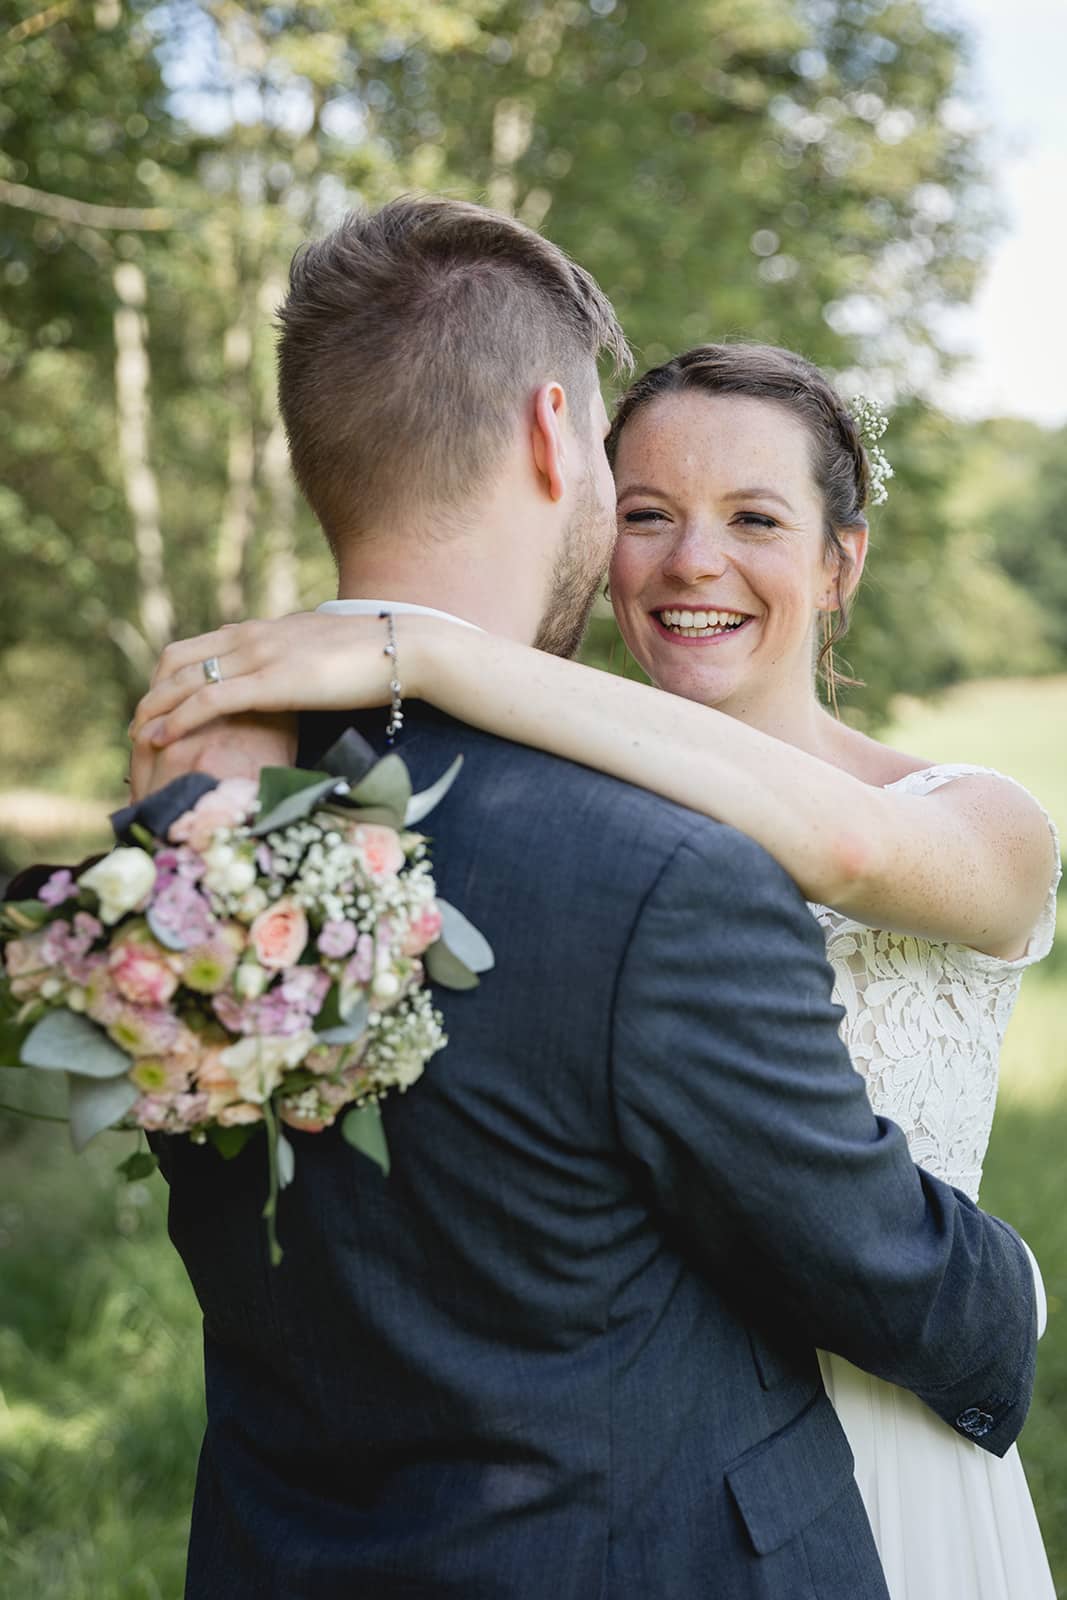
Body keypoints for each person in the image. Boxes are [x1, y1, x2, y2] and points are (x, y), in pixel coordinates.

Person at [131, 202, 1045, 1600]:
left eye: (755, 520)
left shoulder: (969, 819)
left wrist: (414, 646)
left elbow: (853, 857)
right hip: (675, 1487)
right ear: (572, 466)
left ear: (840, 560)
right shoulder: (563, 835)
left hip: (880, 1441)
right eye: (649, 514)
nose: (691, 563)